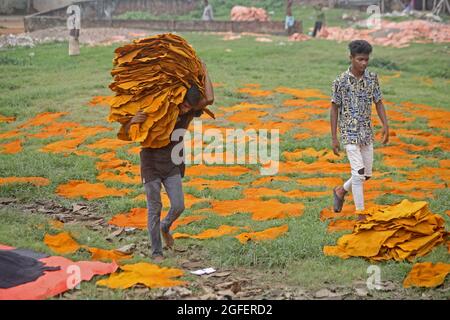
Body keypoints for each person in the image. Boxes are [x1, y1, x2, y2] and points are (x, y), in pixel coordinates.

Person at [125, 61, 214, 262]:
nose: (184, 109)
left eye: (189, 107)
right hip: (150, 164)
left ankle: (166, 226)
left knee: (179, 205)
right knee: (154, 207)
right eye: (183, 105)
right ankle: (157, 251)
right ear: (177, 99)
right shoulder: (157, 109)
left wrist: (205, 71)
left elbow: (209, 99)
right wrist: (132, 121)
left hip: (173, 163)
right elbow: (123, 132)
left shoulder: (189, 112)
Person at [330, 40, 389, 220]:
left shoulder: (372, 78)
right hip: (349, 133)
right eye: (360, 59)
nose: (364, 63)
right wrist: (334, 137)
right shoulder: (340, 81)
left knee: (366, 175)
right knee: (358, 173)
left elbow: (378, 102)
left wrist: (386, 125)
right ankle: (360, 214)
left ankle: (340, 191)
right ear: (351, 58)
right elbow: (334, 108)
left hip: (366, 133)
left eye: (366, 60)